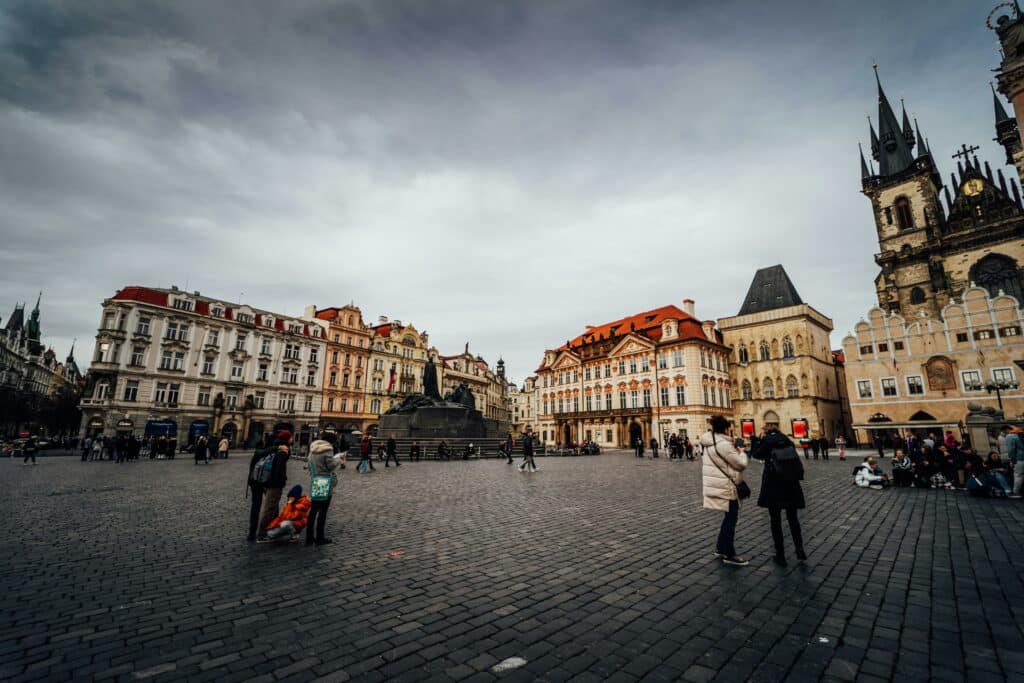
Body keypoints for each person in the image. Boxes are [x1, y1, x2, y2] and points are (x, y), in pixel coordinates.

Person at [751, 420, 805, 567]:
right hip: (791, 482)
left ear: (766, 430)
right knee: (793, 518)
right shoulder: (786, 439)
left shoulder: (767, 440)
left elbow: (756, 454)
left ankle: (780, 554)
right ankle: (799, 548)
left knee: (775, 521)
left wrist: (757, 441)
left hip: (774, 482)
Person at [701, 416, 749, 566]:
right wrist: (741, 451)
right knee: (731, 519)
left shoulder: (709, 441)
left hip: (716, 484)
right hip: (726, 486)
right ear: (725, 429)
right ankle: (729, 554)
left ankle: (720, 548)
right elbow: (741, 464)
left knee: (728, 518)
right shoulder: (723, 445)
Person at [254, 431, 291, 542]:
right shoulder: (282, 451)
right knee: (269, 509)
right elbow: (279, 469)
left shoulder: (275, 446)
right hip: (274, 484)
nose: (292, 439)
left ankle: (273, 529)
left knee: (273, 508)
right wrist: (281, 482)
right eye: (291, 437)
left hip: (268, 481)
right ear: (287, 438)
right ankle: (261, 535)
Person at [307, 437, 343, 546]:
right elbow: (331, 466)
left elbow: (309, 466)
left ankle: (309, 537)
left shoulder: (312, 450)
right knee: (323, 511)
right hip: (325, 482)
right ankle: (319, 537)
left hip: (316, 481)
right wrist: (338, 459)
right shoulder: (327, 450)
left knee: (313, 510)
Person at [1007, 427, 1024, 498]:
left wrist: (1012, 460)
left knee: (1018, 475)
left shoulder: (1011, 436)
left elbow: (1011, 450)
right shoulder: (1022, 434)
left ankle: (1016, 492)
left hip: (1019, 458)